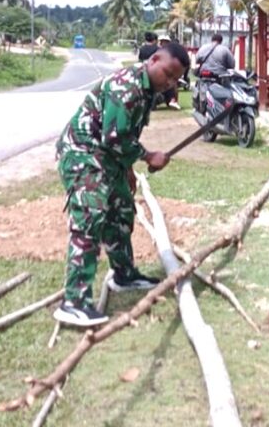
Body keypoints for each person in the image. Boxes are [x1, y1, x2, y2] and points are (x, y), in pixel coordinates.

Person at [53, 42, 191, 327]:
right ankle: (73, 302)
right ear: (154, 60)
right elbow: (115, 138)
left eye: (175, 79)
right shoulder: (126, 87)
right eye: (167, 73)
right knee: (91, 217)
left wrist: (127, 168)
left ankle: (124, 275)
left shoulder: (148, 91)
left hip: (106, 157)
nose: (169, 82)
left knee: (121, 211)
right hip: (83, 153)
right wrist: (148, 156)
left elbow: (126, 132)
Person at [155, 35, 181, 110]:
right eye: (162, 41)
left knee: (173, 84)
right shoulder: (158, 51)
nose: (163, 43)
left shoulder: (170, 52)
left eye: (165, 42)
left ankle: (173, 100)